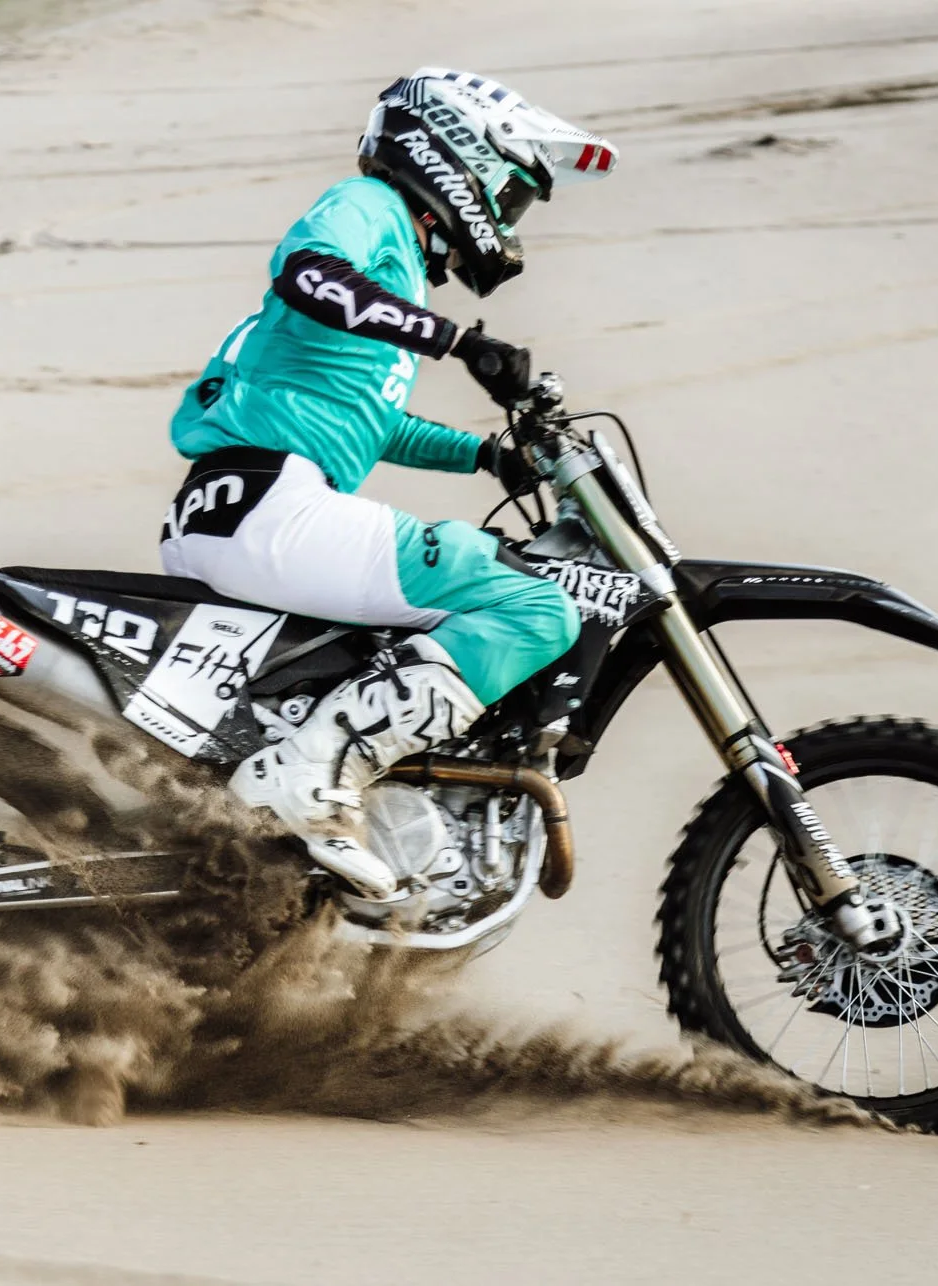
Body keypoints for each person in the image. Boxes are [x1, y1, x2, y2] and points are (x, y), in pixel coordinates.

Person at [160, 69, 618, 900]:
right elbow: (308, 272)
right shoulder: (367, 209)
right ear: (458, 162)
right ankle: (311, 777)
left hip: (249, 507)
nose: (507, 220)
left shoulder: (395, 272)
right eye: (509, 195)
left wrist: (488, 458)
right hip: (272, 507)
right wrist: (457, 342)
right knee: (532, 606)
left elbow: (374, 422)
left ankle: (350, 790)